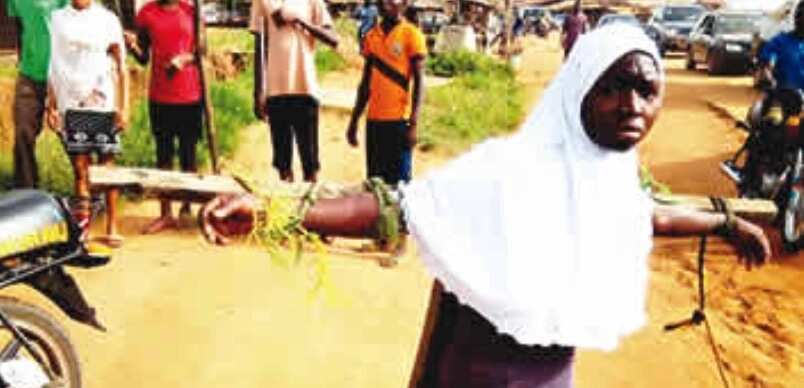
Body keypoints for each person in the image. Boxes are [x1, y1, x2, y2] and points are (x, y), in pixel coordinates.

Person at [201, 25, 771, 387]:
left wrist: (724, 222)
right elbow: (392, 208)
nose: (631, 105)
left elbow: (651, 216)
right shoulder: (507, 169)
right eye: (613, 86)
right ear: (578, 91)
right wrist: (273, 211)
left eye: (647, 91)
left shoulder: (611, 183)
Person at [46, 0, 128, 247]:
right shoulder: (58, 19)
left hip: (103, 103)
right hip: (71, 105)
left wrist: (123, 107)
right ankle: (84, 231)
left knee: (107, 168)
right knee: (81, 170)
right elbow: (52, 64)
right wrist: (51, 105)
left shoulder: (107, 20)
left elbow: (121, 66)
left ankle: (113, 225)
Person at [125, 0, 204, 234]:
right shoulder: (146, 14)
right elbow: (143, 56)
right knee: (164, 154)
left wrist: (184, 60)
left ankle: (187, 206)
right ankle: (165, 213)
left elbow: (202, 51)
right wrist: (132, 46)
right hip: (160, 95)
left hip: (190, 93)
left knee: (188, 153)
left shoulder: (191, 10)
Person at [250, 0, 339, 183]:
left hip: (305, 87)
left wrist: (301, 22)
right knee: (283, 165)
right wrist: (259, 90)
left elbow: (333, 39)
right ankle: (287, 210)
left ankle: (311, 209)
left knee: (310, 164)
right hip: (275, 90)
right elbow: (259, 44)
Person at [346, 0, 426, 186]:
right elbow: (365, 84)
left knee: (400, 188)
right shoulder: (371, 36)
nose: (386, 3)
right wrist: (354, 120)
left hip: (399, 124)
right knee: (376, 185)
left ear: (404, 4)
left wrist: (413, 123)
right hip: (374, 123)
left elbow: (420, 83)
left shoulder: (412, 35)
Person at [7, 0, 68, 188]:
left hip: (63, 75)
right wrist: (23, 57)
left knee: (72, 136)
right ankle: (26, 192)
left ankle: (90, 192)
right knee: (23, 134)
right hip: (30, 75)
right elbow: (19, 26)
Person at [758, 0, 804, 91]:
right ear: (796, 18)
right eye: (801, 16)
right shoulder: (780, 42)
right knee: (759, 104)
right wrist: (768, 75)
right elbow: (769, 62)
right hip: (786, 96)